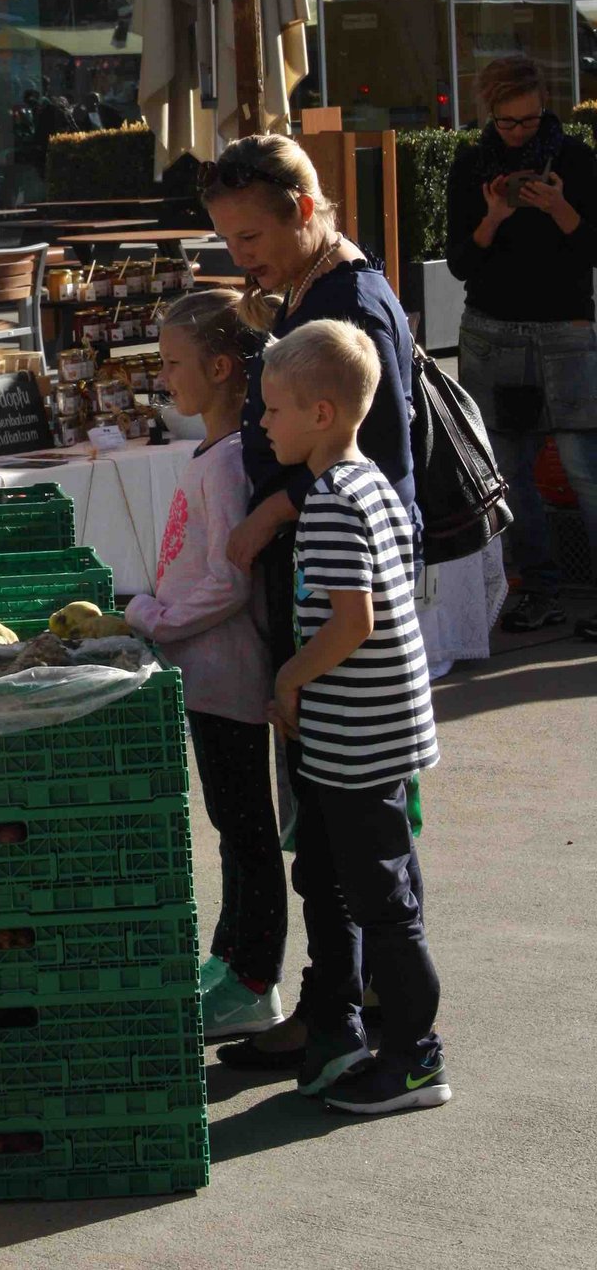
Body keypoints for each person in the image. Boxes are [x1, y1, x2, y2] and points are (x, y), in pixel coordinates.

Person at [200, 132, 416, 1069]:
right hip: (323, 596)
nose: (239, 256)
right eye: (227, 240)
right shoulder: (310, 289)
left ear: (300, 210)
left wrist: (272, 510)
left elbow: (382, 461)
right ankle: (339, 1012)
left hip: (337, 616)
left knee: (345, 839)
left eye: (250, 237)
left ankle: (362, 1026)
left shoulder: (348, 300)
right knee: (327, 838)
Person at [261, 320, 447, 1114]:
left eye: (274, 410)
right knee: (383, 891)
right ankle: (394, 1044)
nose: (264, 423)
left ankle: (415, 1058)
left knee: (384, 906)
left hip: (358, 739)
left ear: (322, 413)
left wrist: (289, 679)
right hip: (384, 727)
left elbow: (352, 621)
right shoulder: (369, 483)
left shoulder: (333, 502)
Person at [124, 290, 287, 1046]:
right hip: (207, 675)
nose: (164, 379)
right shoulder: (215, 454)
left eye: (173, 364)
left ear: (221, 368)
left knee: (246, 828)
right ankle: (233, 959)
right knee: (231, 824)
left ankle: (256, 981)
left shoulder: (228, 465)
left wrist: (154, 618)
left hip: (230, 677)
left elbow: (229, 582)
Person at [446, 53, 597, 634]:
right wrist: (492, 218)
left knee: (585, 467)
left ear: (544, 108)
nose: (518, 132)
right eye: (508, 122)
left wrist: (560, 208)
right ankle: (538, 588)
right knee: (507, 470)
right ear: (490, 112)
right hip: (493, 331)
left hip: (566, 330)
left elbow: (593, 248)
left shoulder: (576, 160)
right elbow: (461, 262)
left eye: (530, 120)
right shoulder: (472, 166)